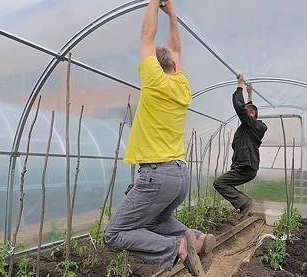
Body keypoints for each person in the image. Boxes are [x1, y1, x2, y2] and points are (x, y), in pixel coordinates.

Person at [104, 1, 215, 276]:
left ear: (156, 64)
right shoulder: (181, 84)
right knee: (153, 221)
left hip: (157, 175)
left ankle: (178, 247)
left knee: (115, 232)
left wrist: (154, 2)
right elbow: (175, 48)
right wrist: (173, 16)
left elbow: (147, 35)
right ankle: (197, 238)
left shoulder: (153, 81)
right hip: (180, 175)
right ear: (175, 66)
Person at [213, 73, 267, 220]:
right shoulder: (250, 126)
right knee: (224, 183)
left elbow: (243, 110)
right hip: (244, 166)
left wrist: (239, 86)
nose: (243, 115)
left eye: (247, 113)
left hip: (246, 167)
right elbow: (248, 112)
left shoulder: (256, 126)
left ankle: (245, 203)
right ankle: (245, 204)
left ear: (252, 114)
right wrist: (250, 94)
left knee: (219, 183)